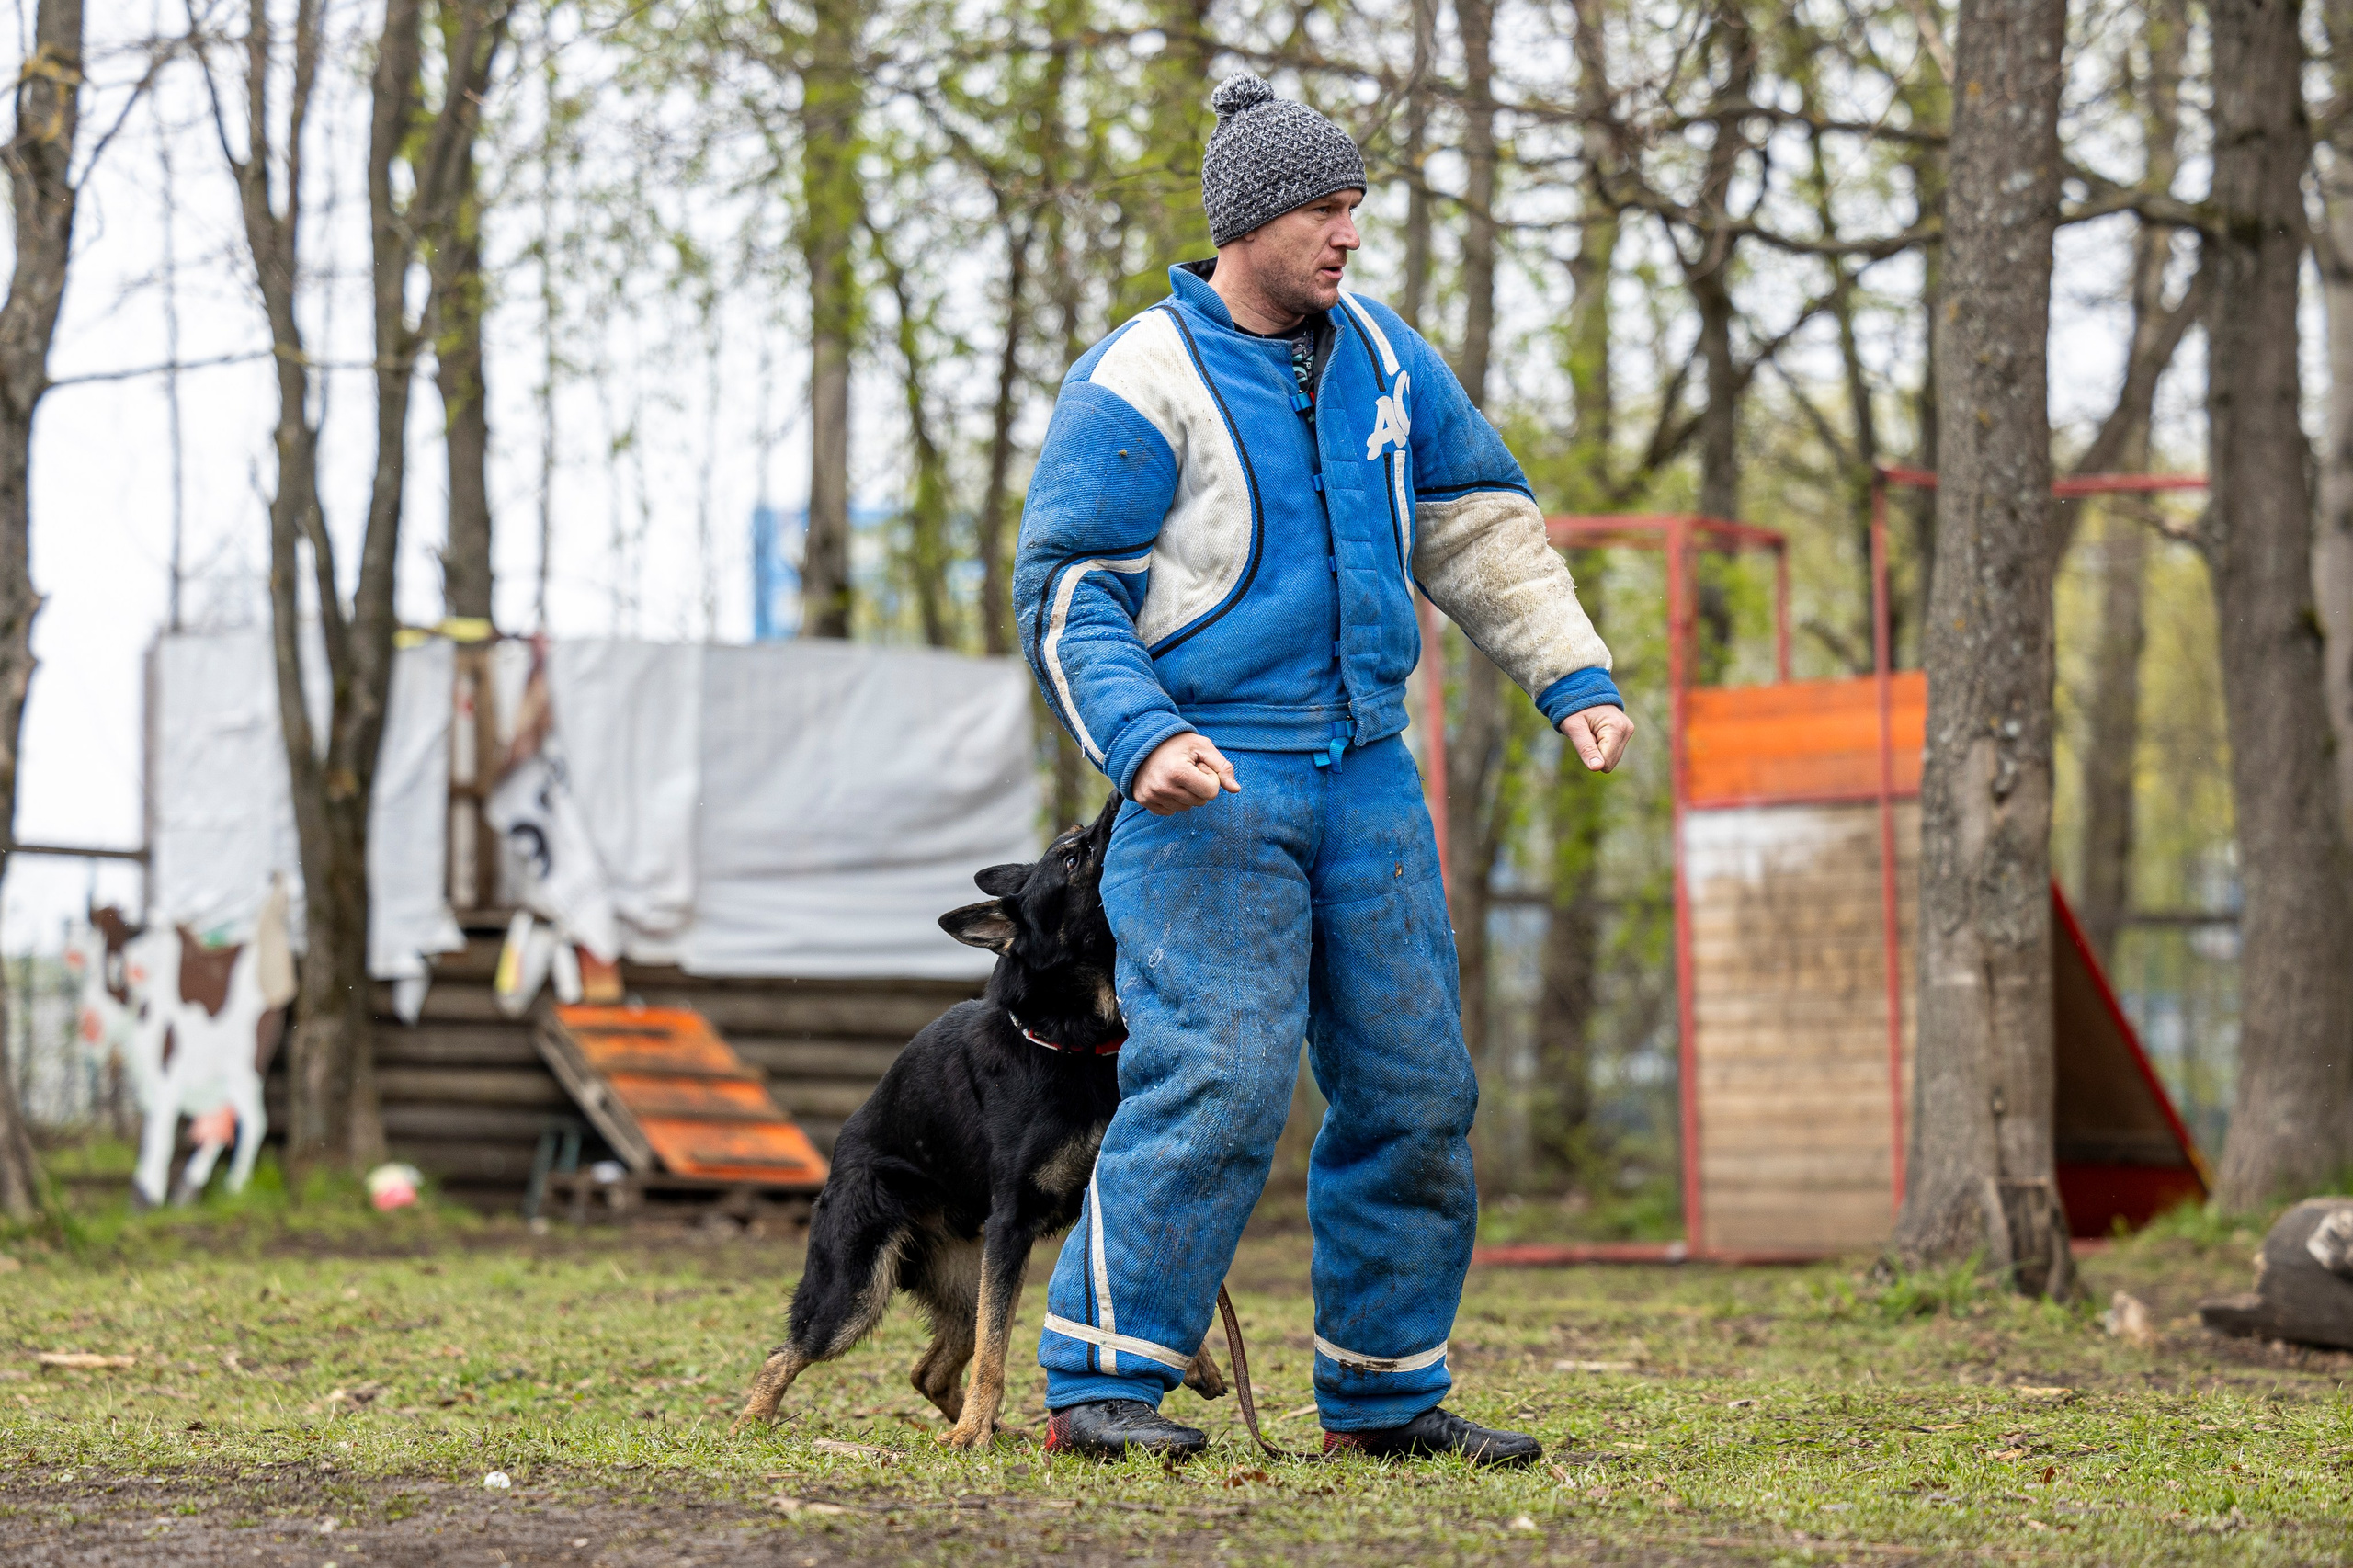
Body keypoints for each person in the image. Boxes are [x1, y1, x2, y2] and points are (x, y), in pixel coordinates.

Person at [1012, 72, 1633, 1466]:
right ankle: (1103, 1378)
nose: (1350, 235)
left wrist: (1573, 676)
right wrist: (1143, 734)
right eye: (1324, 211)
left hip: (1370, 780)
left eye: (1357, 208)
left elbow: (1479, 526)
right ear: (1248, 223)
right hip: (1210, 783)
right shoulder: (1139, 375)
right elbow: (1065, 593)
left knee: (1418, 1088)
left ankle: (1385, 1393)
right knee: (1220, 1076)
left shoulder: (1390, 358)